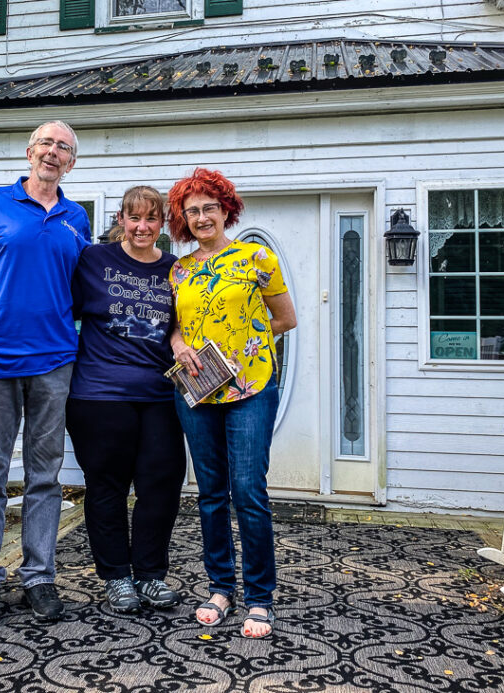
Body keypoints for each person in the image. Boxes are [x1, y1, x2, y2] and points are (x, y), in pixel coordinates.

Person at [0, 121, 91, 625]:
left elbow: (82, 292)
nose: (53, 152)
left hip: (53, 361)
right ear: (30, 153)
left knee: (46, 475)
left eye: (64, 148)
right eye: (46, 144)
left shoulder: (77, 219)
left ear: (71, 163)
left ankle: (39, 577)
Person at [167, 168, 297, 639]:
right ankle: (221, 588)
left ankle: (259, 597)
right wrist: (179, 344)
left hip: (250, 388)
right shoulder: (178, 269)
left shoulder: (256, 258)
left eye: (209, 208)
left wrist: (248, 345)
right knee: (210, 494)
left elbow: (285, 318)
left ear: (226, 210)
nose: (202, 217)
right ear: (183, 219)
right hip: (198, 391)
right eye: (192, 211)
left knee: (248, 490)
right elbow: (176, 324)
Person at [66, 186, 187, 613]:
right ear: (121, 219)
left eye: (151, 219)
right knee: (107, 487)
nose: (142, 227)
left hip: (158, 395)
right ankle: (116, 577)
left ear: (163, 224)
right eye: (134, 218)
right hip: (98, 395)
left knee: (162, 484)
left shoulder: (175, 269)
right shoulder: (93, 261)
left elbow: (180, 325)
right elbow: (64, 310)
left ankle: (150, 576)